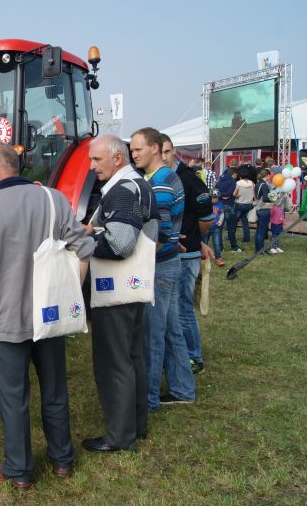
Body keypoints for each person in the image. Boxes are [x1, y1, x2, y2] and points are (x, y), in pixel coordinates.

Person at [0, 144, 93, 488]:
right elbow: (84, 248)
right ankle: (62, 460)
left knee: (13, 397)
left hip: (4, 319)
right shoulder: (54, 199)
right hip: (50, 315)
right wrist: (70, 290)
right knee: (55, 390)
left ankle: (19, 470)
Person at [83, 135, 157, 453]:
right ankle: (134, 427)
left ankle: (119, 436)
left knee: (114, 363)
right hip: (134, 288)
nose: (91, 166)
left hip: (115, 292)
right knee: (131, 358)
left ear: (116, 159)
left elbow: (120, 244)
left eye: (96, 160)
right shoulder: (138, 184)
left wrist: (81, 242)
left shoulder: (123, 191)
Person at [130, 127, 195, 410]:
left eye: (138, 149)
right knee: (171, 331)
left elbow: (161, 232)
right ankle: (183, 388)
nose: (134, 155)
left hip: (159, 268)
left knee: (153, 336)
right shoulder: (165, 178)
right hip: (169, 263)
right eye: (132, 150)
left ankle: (149, 400)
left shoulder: (159, 183)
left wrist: (138, 260)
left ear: (154, 148)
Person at [162, 134, 213, 376]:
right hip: (169, 254)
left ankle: (194, 357)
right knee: (170, 309)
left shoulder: (188, 179)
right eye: (160, 152)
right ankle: (176, 353)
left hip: (186, 255)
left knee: (182, 308)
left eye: (168, 151)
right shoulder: (157, 178)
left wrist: (194, 239)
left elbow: (206, 218)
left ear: (174, 152)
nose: (164, 157)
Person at [218, 167, 240, 252]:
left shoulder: (219, 181)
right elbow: (229, 193)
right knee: (231, 227)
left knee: (219, 227)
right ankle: (234, 246)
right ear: (233, 174)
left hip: (220, 205)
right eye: (236, 175)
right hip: (229, 205)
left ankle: (220, 247)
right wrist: (225, 195)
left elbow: (217, 192)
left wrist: (221, 195)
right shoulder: (232, 182)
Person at [233, 169, 255, 247]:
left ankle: (231, 237)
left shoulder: (238, 183)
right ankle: (246, 238)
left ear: (240, 176)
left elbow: (234, 194)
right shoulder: (252, 183)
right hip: (249, 204)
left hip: (239, 204)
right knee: (245, 222)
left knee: (234, 222)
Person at [203, 194, 225, 266]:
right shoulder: (206, 204)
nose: (215, 199)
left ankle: (218, 258)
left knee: (216, 242)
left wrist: (220, 221)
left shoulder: (220, 204)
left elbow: (222, 213)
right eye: (213, 198)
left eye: (216, 198)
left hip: (215, 226)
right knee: (204, 242)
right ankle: (203, 257)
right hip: (206, 226)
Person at [254, 169, 273, 253]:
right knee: (262, 230)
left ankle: (258, 248)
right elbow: (265, 198)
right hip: (264, 209)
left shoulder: (257, 184)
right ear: (268, 175)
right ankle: (261, 250)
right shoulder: (264, 185)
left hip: (258, 208)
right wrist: (273, 197)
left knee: (258, 230)